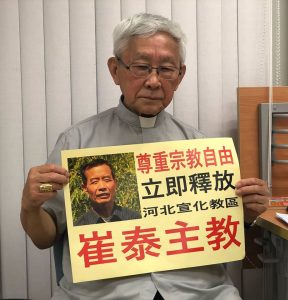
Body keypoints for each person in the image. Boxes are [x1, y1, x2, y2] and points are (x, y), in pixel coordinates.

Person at [21, 13, 270, 300]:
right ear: (115, 70)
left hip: (199, 292)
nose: (154, 81)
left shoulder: (201, 148)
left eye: (166, 69)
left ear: (180, 76)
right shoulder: (76, 142)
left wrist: (249, 213)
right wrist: (30, 206)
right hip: (102, 293)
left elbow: (222, 229)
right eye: (141, 67)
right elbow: (44, 238)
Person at [75, 159, 141, 225]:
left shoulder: (134, 218)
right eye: (94, 182)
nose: (102, 186)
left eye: (107, 180)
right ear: (85, 188)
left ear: (115, 183)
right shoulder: (79, 226)